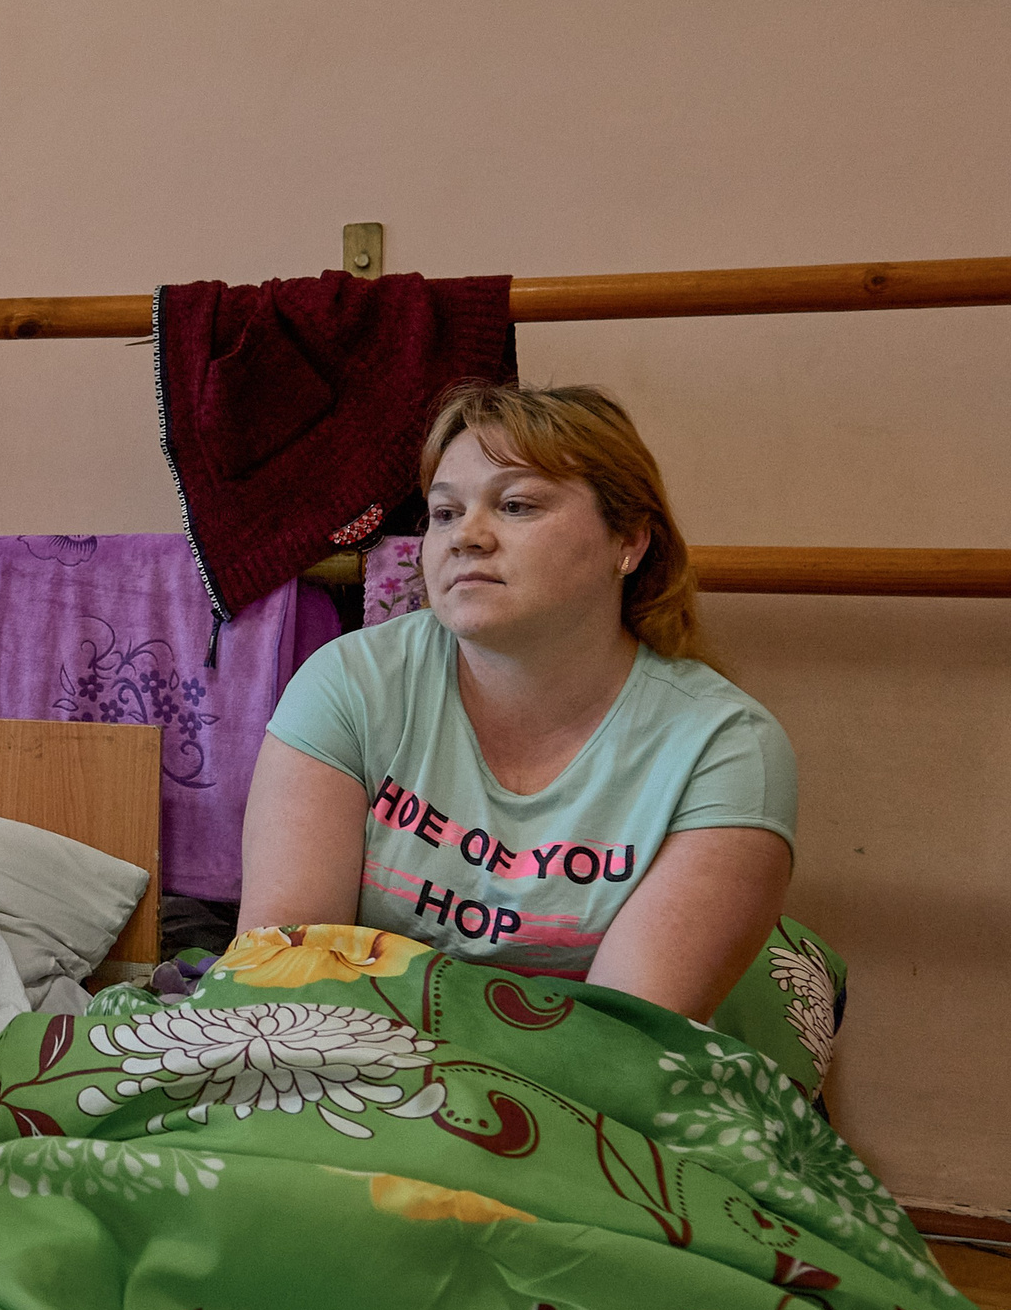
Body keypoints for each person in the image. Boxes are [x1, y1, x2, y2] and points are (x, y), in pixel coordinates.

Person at [237, 383, 796, 1019]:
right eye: (444, 514)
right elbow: (279, 981)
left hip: (585, 1095)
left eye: (518, 506)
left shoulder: (721, 747)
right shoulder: (350, 681)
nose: (465, 537)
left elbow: (624, 1046)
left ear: (630, 542)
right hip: (347, 1074)